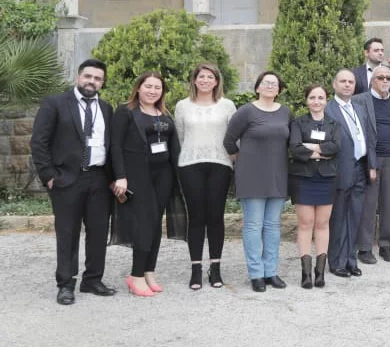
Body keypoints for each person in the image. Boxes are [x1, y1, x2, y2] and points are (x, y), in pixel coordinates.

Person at [31, 58, 116, 305]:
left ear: (102, 82)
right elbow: (39, 142)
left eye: (98, 78)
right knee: (67, 233)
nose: (92, 82)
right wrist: (49, 176)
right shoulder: (55, 103)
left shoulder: (106, 108)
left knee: (99, 232)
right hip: (66, 179)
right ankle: (66, 283)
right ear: (79, 77)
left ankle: (92, 279)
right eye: (88, 76)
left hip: (99, 178)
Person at [110, 72, 185, 297]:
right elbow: (115, 146)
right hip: (137, 175)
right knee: (143, 223)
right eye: (148, 86)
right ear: (138, 88)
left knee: (155, 224)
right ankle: (135, 275)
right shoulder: (125, 112)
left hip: (163, 176)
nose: (152, 91)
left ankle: (149, 270)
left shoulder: (163, 113)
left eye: (157, 87)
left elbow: (172, 146)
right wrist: (120, 176)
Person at [223, 70, 291, 292]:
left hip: (277, 175)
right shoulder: (246, 112)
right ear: (258, 87)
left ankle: (271, 271)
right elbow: (229, 140)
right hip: (251, 176)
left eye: (274, 83)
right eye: (266, 82)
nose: (270, 86)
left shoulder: (285, 113)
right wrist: (241, 161)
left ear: (279, 89)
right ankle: (256, 274)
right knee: (253, 225)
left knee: (272, 226)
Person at [174, 62, 237, 290]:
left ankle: (216, 269)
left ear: (217, 81)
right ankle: (196, 270)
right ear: (194, 80)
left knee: (215, 216)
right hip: (190, 164)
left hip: (220, 164)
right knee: (196, 216)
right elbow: (180, 136)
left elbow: (233, 136)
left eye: (210, 77)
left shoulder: (227, 105)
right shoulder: (182, 106)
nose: (205, 80)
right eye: (201, 77)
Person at [354, 65, 390, 265]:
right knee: (368, 205)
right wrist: (370, 162)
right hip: (370, 160)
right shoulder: (359, 101)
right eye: (381, 78)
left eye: (388, 78)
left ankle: (386, 245)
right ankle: (365, 247)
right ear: (372, 81)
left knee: (389, 204)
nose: (385, 81)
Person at [288, 84, 340, 289]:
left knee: (322, 224)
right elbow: (295, 147)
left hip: (327, 178)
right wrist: (320, 152)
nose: (316, 101)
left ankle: (320, 273)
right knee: (305, 223)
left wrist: (311, 148)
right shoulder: (298, 123)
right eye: (312, 97)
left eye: (320, 98)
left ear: (326, 100)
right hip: (303, 178)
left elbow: (336, 147)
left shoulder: (333, 124)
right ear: (306, 100)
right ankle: (306, 274)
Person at [327, 69, 377, 278]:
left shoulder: (360, 108)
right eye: (343, 81)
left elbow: (369, 138)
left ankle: (350, 259)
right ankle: (336, 261)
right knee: (339, 217)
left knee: (355, 216)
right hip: (340, 170)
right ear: (334, 84)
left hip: (361, 168)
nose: (347, 85)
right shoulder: (328, 109)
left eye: (350, 81)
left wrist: (372, 165)